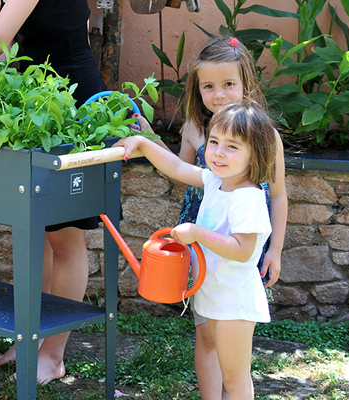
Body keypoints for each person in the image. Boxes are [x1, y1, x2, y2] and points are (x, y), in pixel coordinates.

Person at [133, 36, 287, 399]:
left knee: (233, 358)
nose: (219, 94)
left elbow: (277, 197)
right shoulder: (199, 131)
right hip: (203, 243)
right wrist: (145, 140)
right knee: (205, 332)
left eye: (229, 84)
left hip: (228, 241)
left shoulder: (264, 142)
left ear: (247, 82)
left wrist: (275, 249)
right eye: (208, 86)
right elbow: (180, 168)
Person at [0, 0, 107, 385]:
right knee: (37, 233)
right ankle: (29, 339)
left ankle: (52, 355)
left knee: (66, 239)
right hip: (42, 99)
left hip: (68, 103)